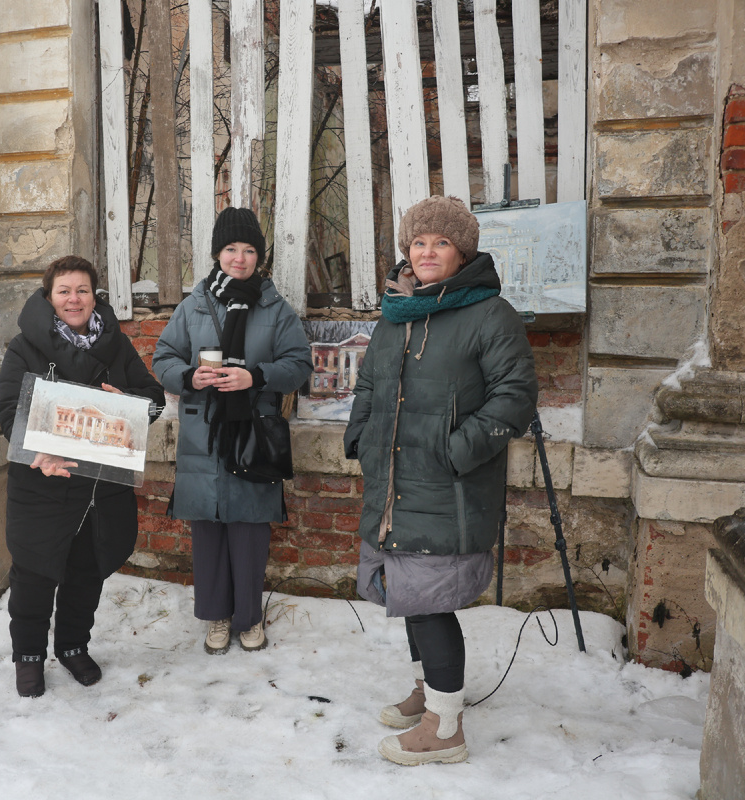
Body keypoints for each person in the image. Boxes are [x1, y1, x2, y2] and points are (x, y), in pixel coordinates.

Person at [342, 195, 538, 766]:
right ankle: (431, 691)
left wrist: (455, 452)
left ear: (463, 253)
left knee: (428, 602)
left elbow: (514, 399)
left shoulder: (488, 315)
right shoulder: (398, 311)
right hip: (394, 481)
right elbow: (371, 386)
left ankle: (445, 727)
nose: (427, 252)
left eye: (441, 243)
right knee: (406, 593)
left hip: (446, 486)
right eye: (418, 243)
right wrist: (359, 434)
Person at [0, 255, 165, 698]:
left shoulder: (117, 346)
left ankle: (73, 646)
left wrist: (128, 401)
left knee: (86, 572)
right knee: (33, 575)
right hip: (43, 483)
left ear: (95, 297)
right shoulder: (24, 347)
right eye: (64, 291)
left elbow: (154, 400)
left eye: (83, 291)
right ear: (49, 297)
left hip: (100, 488)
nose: (74, 299)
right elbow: (8, 411)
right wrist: (38, 452)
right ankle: (28, 657)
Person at [152, 207, 312, 655]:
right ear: (216, 254)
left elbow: (299, 365)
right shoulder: (193, 305)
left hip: (252, 434)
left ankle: (249, 618)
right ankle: (218, 617)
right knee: (208, 529)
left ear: (258, 257)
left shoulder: (276, 309)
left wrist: (255, 376)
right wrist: (188, 377)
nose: (239, 258)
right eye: (230, 249)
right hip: (203, 434)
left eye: (248, 250)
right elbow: (163, 357)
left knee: (249, 529)